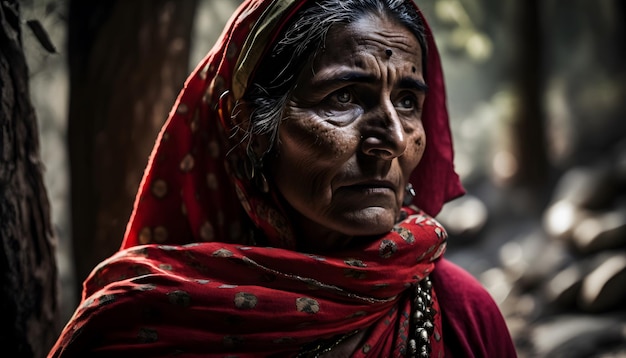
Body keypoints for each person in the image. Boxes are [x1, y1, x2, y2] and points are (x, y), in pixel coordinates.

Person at [49, 0, 517, 356]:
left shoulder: (461, 314)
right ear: (251, 128)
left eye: (408, 102)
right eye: (345, 97)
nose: (392, 138)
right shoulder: (139, 324)